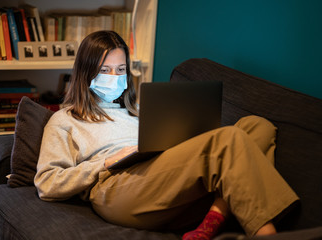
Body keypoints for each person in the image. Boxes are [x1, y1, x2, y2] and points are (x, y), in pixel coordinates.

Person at [34, 31, 299, 240]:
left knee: (257, 126)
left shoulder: (139, 112)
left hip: (163, 178)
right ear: (85, 72)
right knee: (227, 139)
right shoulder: (65, 120)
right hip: (116, 187)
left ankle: (212, 220)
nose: (114, 77)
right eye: (104, 70)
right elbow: (47, 183)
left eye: (120, 69)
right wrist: (105, 162)